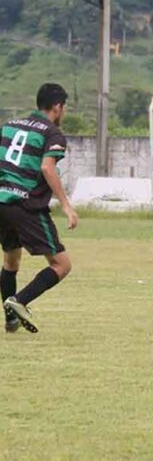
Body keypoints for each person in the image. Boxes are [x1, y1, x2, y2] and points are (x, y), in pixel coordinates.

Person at [0, 83, 78, 333]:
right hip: (25, 204)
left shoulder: (9, 126)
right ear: (57, 106)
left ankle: (10, 321)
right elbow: (47, 167)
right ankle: (18, 301)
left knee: (11, 261)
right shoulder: (52, 133)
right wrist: (66, 205)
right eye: (63, 107)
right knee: (62, 264)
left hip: (2, 200)